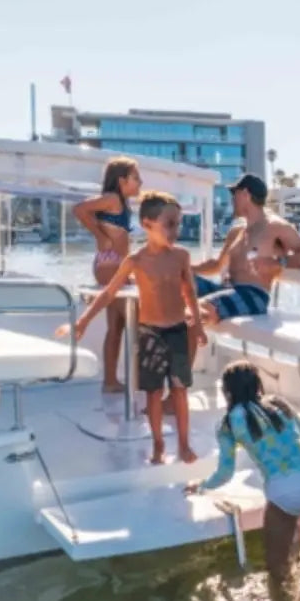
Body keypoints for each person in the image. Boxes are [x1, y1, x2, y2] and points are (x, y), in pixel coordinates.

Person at [60, 192, 208, 464]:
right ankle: (158, 444)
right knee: (152, 393)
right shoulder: (135, 261)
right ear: (148, 224)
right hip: (150, 334)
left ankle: (184, 444)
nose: (177, 230)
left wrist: (197, 326)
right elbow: (107, 294)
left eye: (179, 224)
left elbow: (190, 293)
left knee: (179, 391)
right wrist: (83, 321)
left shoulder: (181, 256)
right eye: (171, 224)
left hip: (176, 331)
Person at [186, 361, 300, 601]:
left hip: (284, 491)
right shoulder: (279, 405)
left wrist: (200, 486)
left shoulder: (228, 424)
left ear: (227, 392)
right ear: (258, 386)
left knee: (276, 564)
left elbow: (225, 473)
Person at [190, 174, 300, 352]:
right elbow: (217, 265)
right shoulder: (236, 231)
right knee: (177, 282)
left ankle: (180, 375)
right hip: (226, 289)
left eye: (234, 194)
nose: (232, 200)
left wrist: (279, 262)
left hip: (253, 295)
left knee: (198, 309)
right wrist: (186, 269)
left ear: (245, 194)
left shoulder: (275, 226)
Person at [73, 156, 142, 394]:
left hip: (113, 264)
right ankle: (143, 381)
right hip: (111, 264)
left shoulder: (121, 202)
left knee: (117, 325)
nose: (140, 182)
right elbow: (79, 209)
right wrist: (99, 236)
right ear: (121, 180)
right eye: (136, 178)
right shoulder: (113, 199)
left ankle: (110, 382)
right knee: (139, 322)